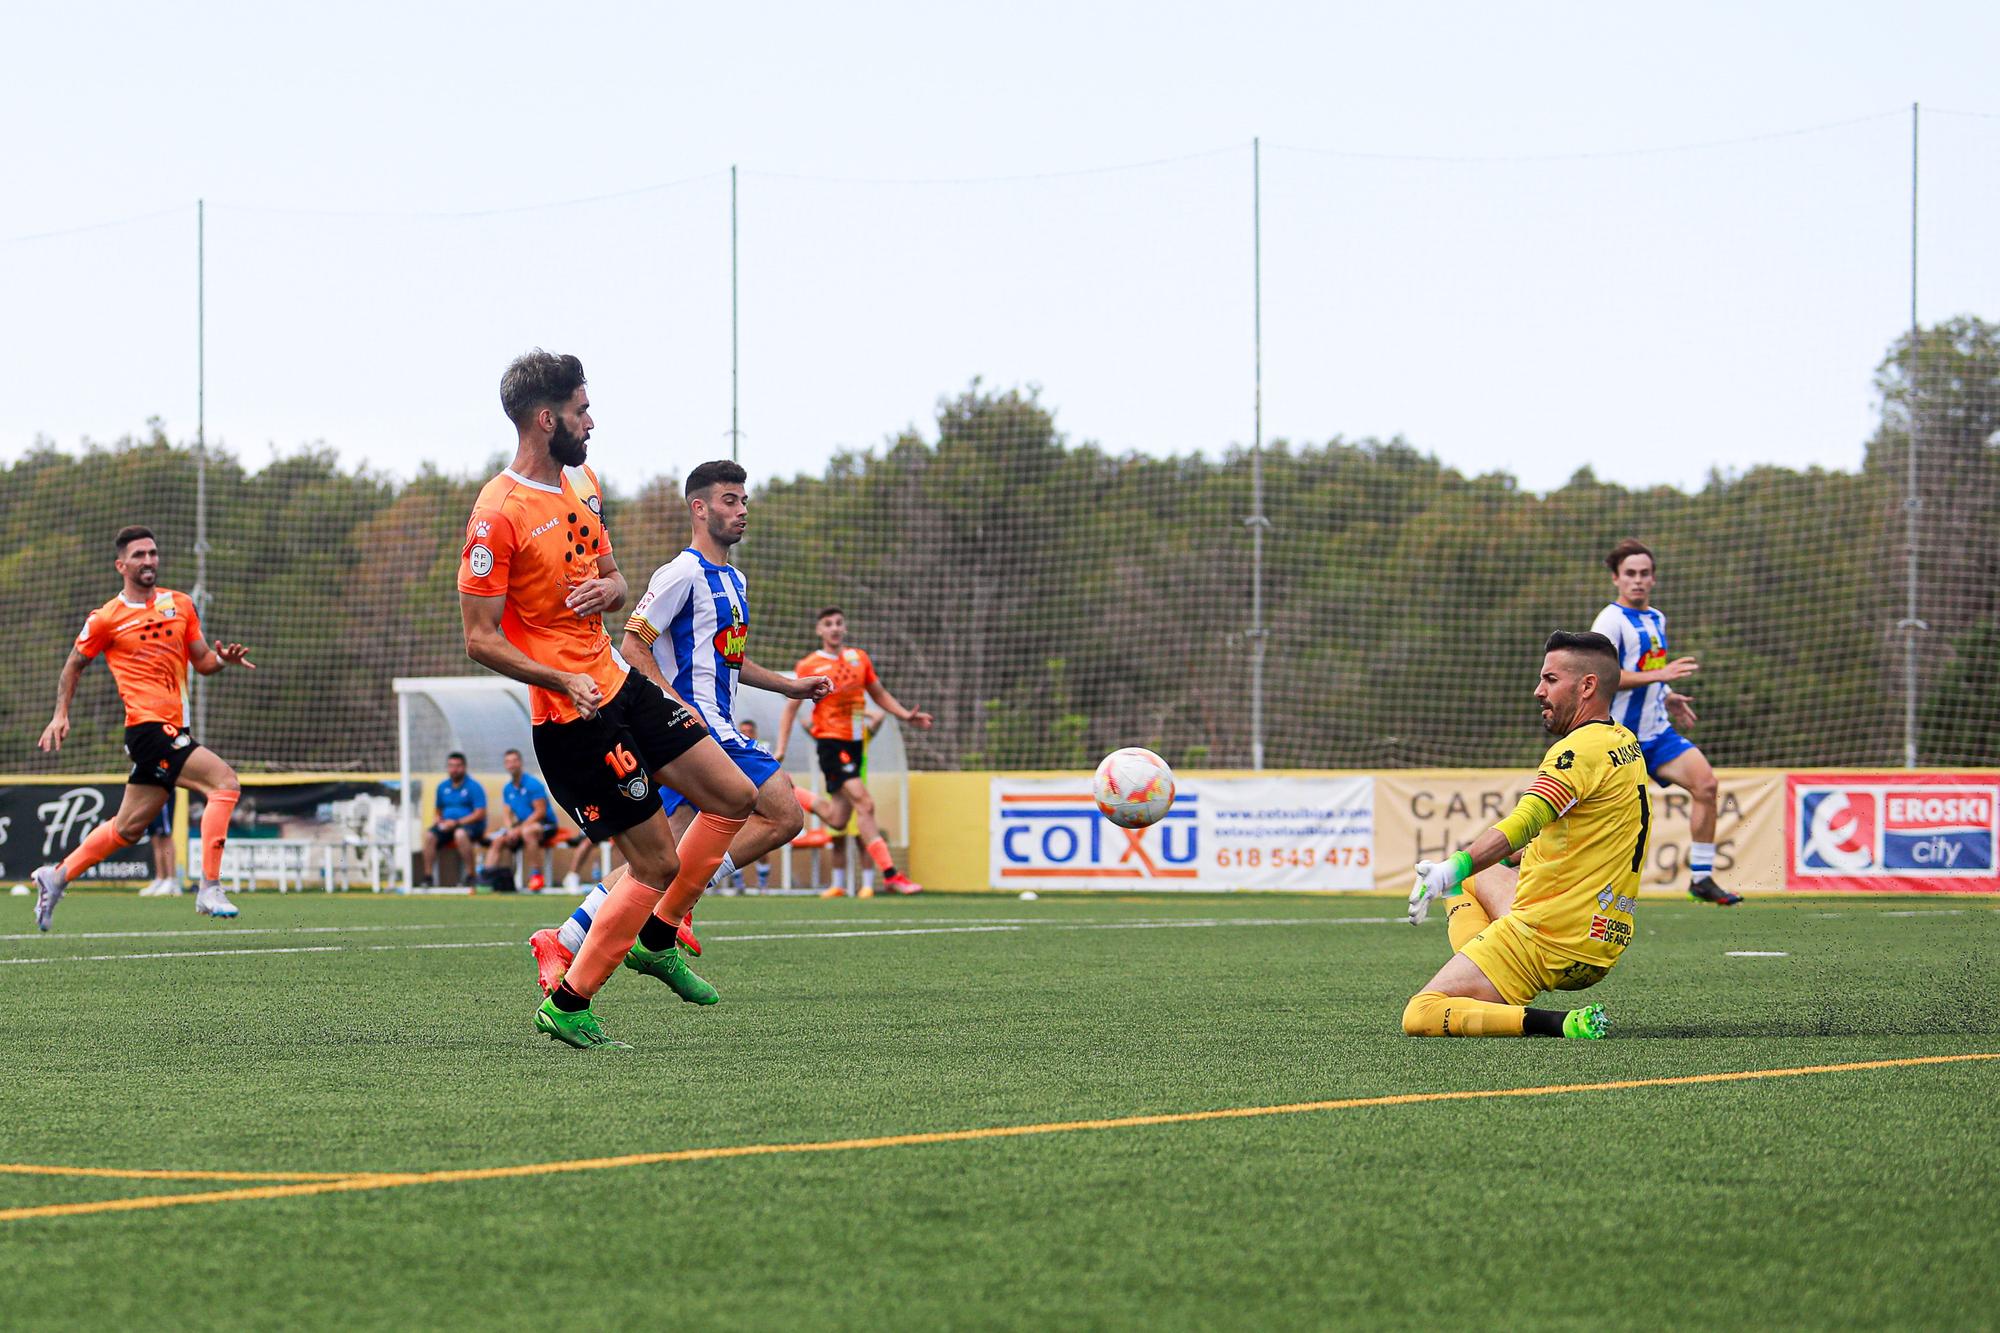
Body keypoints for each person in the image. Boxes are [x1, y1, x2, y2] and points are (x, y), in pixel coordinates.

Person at [460, 349, 754, 1049]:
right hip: (572, 716)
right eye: (581, 409)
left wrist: (608, 591)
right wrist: (560, 678)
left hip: (621, 682)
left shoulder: (584, 482)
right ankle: (570, 1000)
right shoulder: (496, 512)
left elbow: (616, 579)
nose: (591, 420)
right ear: (545, 418)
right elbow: (478, 638)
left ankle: (652, 940)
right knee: (656, 862)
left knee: (735, 794)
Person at [529, 459, 831, 992]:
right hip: (694, 730)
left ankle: (566, 938)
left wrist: (790, 686)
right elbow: (632, 642)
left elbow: (728, 661)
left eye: (744, 501)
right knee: (783, 811)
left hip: (710, 726)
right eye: (730, 500)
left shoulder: (733, 579)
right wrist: (677, 711)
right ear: (699, 508)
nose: (742, 511)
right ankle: (669, 916)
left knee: (661, 858)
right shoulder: (681, 573)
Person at [1401, 630, 1648, 1039]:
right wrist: (1486, 864)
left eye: (1551, 679)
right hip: (1604, 938)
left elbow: (1525, 820)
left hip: (1548, 942)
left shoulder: (1576, 752)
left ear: (1587, 686)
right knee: (1477, 874)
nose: (1538, 690)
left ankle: (1560, 1023)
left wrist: (1453, 867)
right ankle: (1483, 958)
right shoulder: (1624, 743)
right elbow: (1579, 834)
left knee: (1421, 1013)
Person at [32, 525, 251, 927]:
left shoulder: (180, 604)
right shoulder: (106, 619)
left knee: (127, 828)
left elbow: (202, 662)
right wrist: (61, 713)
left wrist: (223, 661)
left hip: (171, 729)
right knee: (225, 784)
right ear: (121, 565)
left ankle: (57, 875)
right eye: (138, 555)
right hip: (148, 729)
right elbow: (74, 664)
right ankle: (209, 887)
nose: (148, 560)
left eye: (152, 553)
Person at [1591, 538, 1741, 905]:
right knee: (1590, 818)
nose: (1637, 580)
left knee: (1705, 785)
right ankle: (1508, 860)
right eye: (1630, 574)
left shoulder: (1657, 618)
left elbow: (1647, 670)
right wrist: (1661, 677)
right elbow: (1603, 676)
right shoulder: (1610, 620)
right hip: (1618, 739)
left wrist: (1667, 694)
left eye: (1644, 574)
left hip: (1656, 732)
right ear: (1616, 579)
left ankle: (1701, 878)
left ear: (1654, 579)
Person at [776, 609, 932, 894]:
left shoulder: (859, 658)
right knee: (865, 803)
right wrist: (781, 748)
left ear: (844, 628)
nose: (834, 628)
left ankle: (791, 790)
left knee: (837, 818)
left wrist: (905, 715)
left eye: (838, 623)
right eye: (828, 624)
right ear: (819, 631)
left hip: (855, 744)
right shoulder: (810, 664)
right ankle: (890, 874)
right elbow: (791, 707)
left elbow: (879, 693)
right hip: (831, 743)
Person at [481, 747, 551, 893]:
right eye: (508, 762)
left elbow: (540, 812)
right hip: (520, 827)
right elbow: (507, 814)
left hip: (544, 824)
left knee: (528, 832)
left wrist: (518, 830)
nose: (511, 764)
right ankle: (486, 879)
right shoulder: (507, 788)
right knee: (498, 840)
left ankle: (536, 876)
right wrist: (510, 830)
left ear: (520, 763)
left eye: (514, 761)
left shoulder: (533, 784)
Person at [421, 751, 487, 887]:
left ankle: (471, 875)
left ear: (464, 767)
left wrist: (456, 822)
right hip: (447, 826)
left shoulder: (474, 787)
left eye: (457, 766)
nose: (454, 769)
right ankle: (428, 876)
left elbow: (480, 813)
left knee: (460, 834)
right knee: (429, 835)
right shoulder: (442, 787)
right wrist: (438, 819)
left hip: (470, 826)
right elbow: (438, 809)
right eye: (451, 766)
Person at [139, 798, 182, 897]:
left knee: (165, 837)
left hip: (161, 792)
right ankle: (160, 878)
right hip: (147, 795)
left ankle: (172, 880)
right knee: (155, 838)